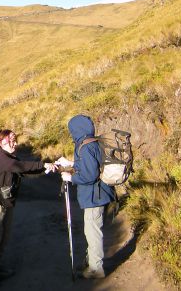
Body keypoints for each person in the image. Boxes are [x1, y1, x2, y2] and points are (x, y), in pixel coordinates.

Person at [0, 129, 57, 288]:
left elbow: (25, 172)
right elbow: (21, 166)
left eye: (15, 140)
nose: (15, 143)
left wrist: (46, 169)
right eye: (12, 140)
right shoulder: (1, 158)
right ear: (2, 142)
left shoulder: (10, 157)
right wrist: (44, 164)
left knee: (3, 240)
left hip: (7, 205)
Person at [58, 114, 116, 279]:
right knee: (93, 230)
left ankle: (96, 269)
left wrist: (71, 177)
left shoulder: (84, 146)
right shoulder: (93, 142)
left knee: (92, 232)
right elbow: (90, 164)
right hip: (101, 194)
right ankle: (90, 261)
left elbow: (89, 175)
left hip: (94, 197)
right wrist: (72, 163)